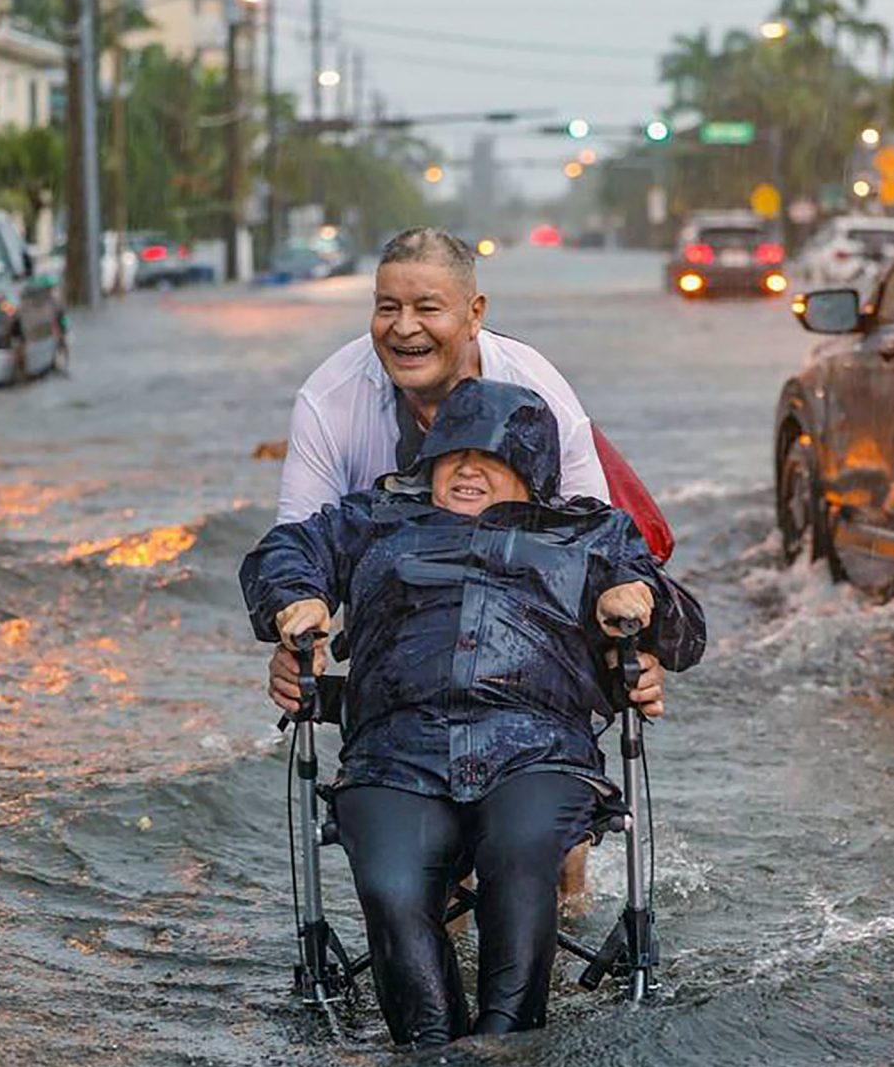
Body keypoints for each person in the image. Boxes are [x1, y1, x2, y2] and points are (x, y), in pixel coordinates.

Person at [241, 380, 706, 1046]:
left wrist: (642, 594)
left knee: (520, 859)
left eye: (490, 457)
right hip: (395, 751)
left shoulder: (591, 533)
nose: (465, 469)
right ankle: (429, 1055)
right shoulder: (371, 519)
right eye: (451, 455)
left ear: (534, 471)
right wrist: (295, 599)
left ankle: (505, 1050)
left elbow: (688, 638)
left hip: (538, 751)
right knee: (393, 884)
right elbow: (283, 552)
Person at [266, 226, 672, 720]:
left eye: (427, 308)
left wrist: (628, 647)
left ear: (475, 314)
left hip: (525, 650)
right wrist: (295, 626)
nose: (404, 328)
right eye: (387, 307)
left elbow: (592, 541)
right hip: (402, 645)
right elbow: (300, 544)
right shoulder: (330, 400)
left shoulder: (535, 391)